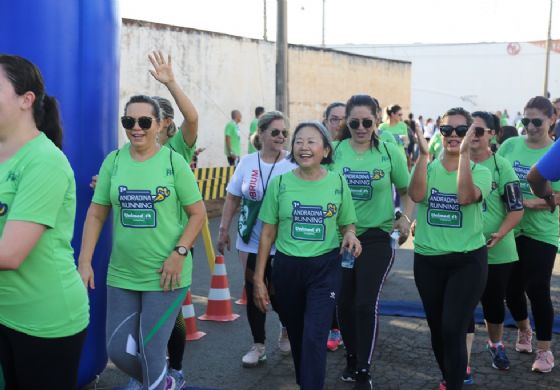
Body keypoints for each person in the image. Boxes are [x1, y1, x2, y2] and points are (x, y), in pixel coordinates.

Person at [78, 95, 206, 390]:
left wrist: (180, 252)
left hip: (166, 273)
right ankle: (163, 382)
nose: (136, 128)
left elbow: (198, 213)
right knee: (118, 352)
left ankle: (157, 379)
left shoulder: (174, 162)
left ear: (160, 125)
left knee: (151, 351)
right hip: (122, 273)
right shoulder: (114, 160)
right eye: (128, 121)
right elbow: (97, 213)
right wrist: (84, 261)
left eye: (145, 121)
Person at [0, 54, 89, 390]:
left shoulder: (44, 162)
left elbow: (9, 254)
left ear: (26, 100)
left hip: (45, 319)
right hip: (6, 311)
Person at [254, 121, 361, 390]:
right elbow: (267, 234)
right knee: (300, 336)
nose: (304, 147)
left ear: (325, 150)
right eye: (299, 141)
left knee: (315, 336)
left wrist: (349, 234)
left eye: (312, 141)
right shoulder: (279, 184)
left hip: (325, 267)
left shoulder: (337, 181)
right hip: (288, 268)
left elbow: (348, 223)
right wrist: (258, 279)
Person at [330, 95, 411, 389]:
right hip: (340, 239)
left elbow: (407, 190)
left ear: (377, 120)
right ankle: (351, 356)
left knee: (365, 303)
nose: (361, 128)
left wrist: (404, 217)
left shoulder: (389, 151)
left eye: (367, 122)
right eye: (355, 123)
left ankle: (363, 368)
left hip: (377, 237)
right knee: (345, 303)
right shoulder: (335, 151)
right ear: (346, 123)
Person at [409, 107, 492, 390]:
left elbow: (466, 196)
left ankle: (454, 383)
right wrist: (422, 156)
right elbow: (417, 195)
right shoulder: (428, 166)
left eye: (460, 130)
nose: (453, 136)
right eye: (446, 130)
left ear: (470, 133)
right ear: (439, 134)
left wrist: (465, 156)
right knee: (437, 328)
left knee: (452, 328)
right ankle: (450, 377)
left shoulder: (481, 171)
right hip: (428, 260)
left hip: (467, 261)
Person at [217, 111, 295, 367]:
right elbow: (232, 197)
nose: (281, 137)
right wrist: (223, 229)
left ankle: (285, 327)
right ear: (260, 134)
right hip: (250, 239)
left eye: (284, 133)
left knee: (281, 293)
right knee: (254, 291)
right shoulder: (247, 162)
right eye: (275, 132)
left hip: (283, 243)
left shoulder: (293, 164)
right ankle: (258, 344)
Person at [499, 96, 560, 373]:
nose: (531, 126)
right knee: (511, 291)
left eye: (537, 121)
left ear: (552, 120)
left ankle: (545, 351)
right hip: (511, 227)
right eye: (526, 121)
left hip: (542, 230)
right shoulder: (510, 145)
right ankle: (524, 329)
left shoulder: (555, 150)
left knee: (537, 288)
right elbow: (496, 177)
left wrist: (533, 202)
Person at [463, 111, 524, 383]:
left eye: (478, 131)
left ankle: (495, 344)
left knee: (493, 304)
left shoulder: (502, 167)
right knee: (463, 303)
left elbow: (516, 209)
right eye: (468, 130)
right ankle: (460, 359)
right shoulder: (454, 164)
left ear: (492, 134)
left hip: (498, 250)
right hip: (461, 248)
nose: (471, 136)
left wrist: (500, 233)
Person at [322, 101, 346, 352]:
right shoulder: (319, 150)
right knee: (328, 284)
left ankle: (344, 326)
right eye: (333, 118)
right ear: (325, 121)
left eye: (343, 119)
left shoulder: (354, 149)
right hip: (323, 232)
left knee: (348, 286)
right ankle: (333, 327)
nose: (338, 124)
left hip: (353, 232)